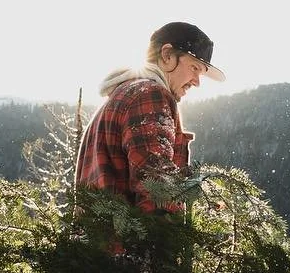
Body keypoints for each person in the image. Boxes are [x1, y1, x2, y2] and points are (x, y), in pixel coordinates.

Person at [75, 21, 225, 213]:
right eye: (195, 68)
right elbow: (158, 191)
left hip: (102, 240)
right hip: (126, 242)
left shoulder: (124, 93)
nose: (196, 82)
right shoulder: (150, 95)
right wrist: (165, 239)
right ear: (167, 55)